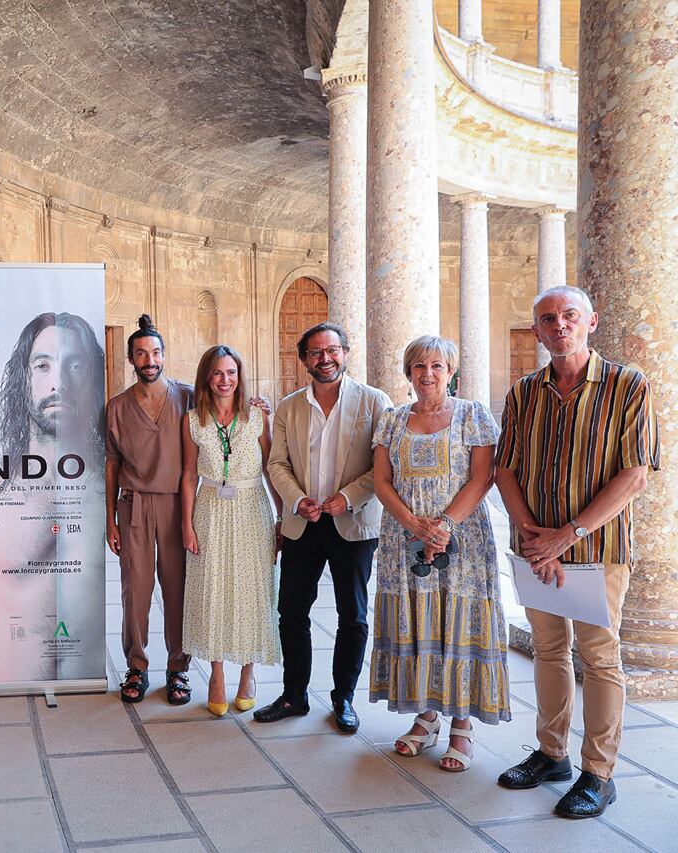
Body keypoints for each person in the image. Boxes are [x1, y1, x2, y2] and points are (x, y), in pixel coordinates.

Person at [494, 286, 658, 818]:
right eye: (547, 318)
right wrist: (532, 535)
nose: (559, 325)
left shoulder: (627, 385)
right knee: (547, 650)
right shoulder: (524, 392)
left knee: (599, 657)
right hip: (536, 547)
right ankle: (551, 753)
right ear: (537, 331)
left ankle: (598, 773)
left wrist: (566, 535)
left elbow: (635, 475)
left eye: (569, 315)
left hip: (597, 549)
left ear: (590, 321)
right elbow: (505, 468)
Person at [0, 312, 106, 683]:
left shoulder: (111, 490)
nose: (58, 382)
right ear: (21, 380)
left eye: (74, 365)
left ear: (92, 379)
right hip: (7, 700)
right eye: (42, 365)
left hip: (88, 703)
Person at [369, 336, 509, 772]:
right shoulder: (392, 420)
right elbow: (381, 482)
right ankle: (427, 717)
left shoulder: (473, 415)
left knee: (458, 618)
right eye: (418, 367)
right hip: (404, 538)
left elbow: (483, 478)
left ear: (451, 372)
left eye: (436, 366)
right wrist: (415, 526)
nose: (427, 374)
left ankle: (462, 726)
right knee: (419, 619)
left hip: (463, 538)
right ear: (408, 374)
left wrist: (444, 525)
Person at [256, 322, 392, 733]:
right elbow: (276, 463)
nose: (324, 358)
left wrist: (347, 496)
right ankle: (294, 694)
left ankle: (343, 698)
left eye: (332, 350)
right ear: (304, 360)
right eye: (315, 352)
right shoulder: (289, 407)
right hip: (303, 522)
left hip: (353, 523)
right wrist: (297, 500)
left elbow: (381, 468)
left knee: (353, 615)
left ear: (345, 353)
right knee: (291, 611)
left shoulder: (374, 402)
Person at [181, 345, 282, 716]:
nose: (225, 380)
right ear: (207, 378)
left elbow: (272, 467)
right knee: (213, 590)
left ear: (240, 376)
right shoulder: (192, 420)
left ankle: (248, 673)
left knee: (252, 589)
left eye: (231, 373)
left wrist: (282, 517)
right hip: (209, 510)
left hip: (251, 508)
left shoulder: (257, 416)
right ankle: (217, 674)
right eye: (217, 373)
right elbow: (189, 474)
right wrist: (186, 524)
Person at [105, 315, 195, 705]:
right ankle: (137, 666)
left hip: (179, 504)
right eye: (141, 354)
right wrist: (110, 517)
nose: (149, 360)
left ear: (164, 354)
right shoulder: (117, 407)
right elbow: (110, 465)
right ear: (131, 359)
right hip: (134, 505)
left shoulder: (189, 398)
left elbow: (228, 416)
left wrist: (256, 407)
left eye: (155, 352)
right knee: (135, 591)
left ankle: (178, 668)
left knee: (178, 589)